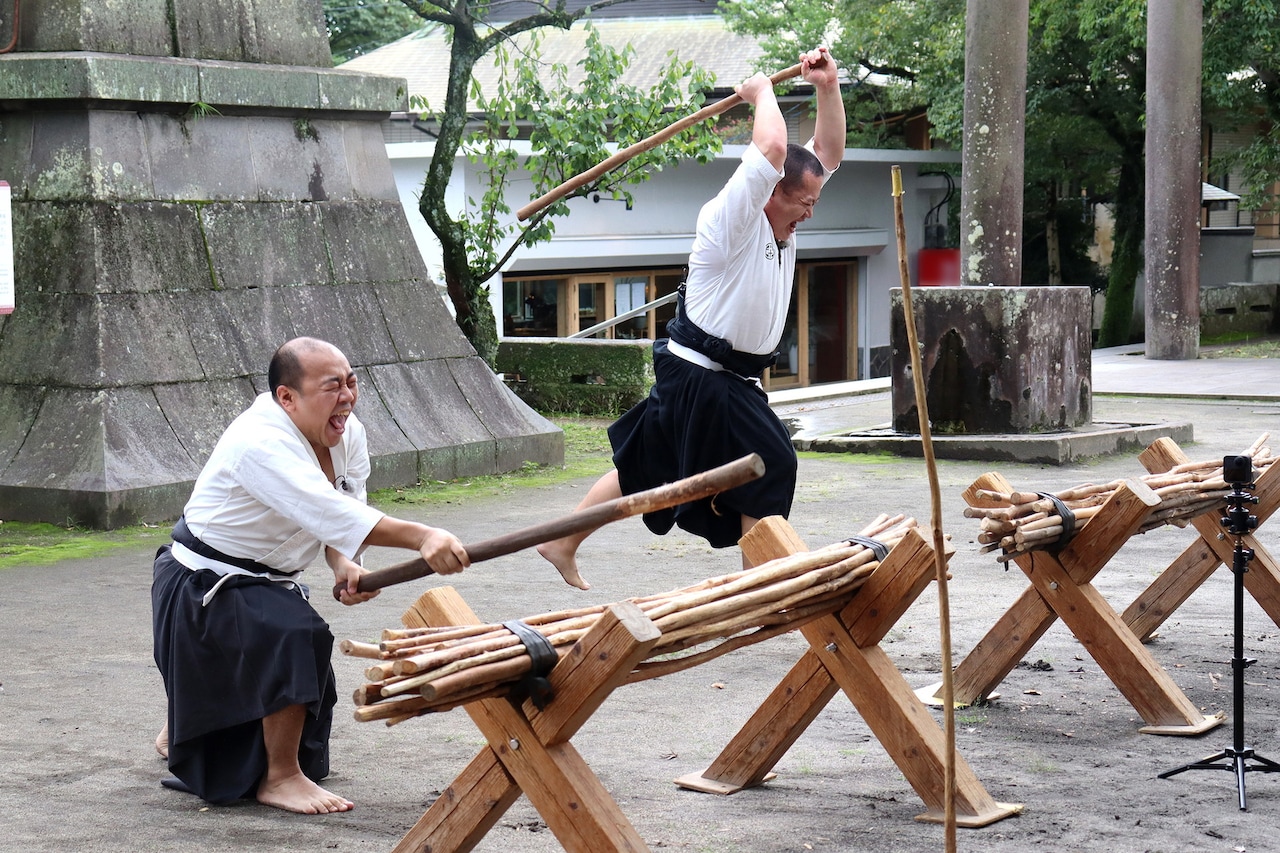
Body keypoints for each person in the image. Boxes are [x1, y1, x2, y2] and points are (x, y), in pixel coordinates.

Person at [539, 47, 845, 590]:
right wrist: (761, 92)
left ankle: (561, 540)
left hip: (714, 375)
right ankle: (760, 589)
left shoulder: (787, 215)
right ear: (771, 189)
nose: (809, 212)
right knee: (772, 461)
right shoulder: (731, 217)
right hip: (704, 374)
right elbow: (773, 147)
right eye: (804, 202)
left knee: (646, 461)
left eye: (814, 203)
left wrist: (827, 86)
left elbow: (826, 154)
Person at [151, 337, 470, 814]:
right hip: (202, 585)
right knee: (296, 634)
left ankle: (190, 729)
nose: (347, 397)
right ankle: (279, 777)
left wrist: (344, 564)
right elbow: (326, 510)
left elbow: (344, 509)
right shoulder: (259, 441)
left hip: (264, 580)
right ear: (287, 397)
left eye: (351, 383)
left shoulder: (347, 431)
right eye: (332, 386)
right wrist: (423, 536)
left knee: (298, 661)